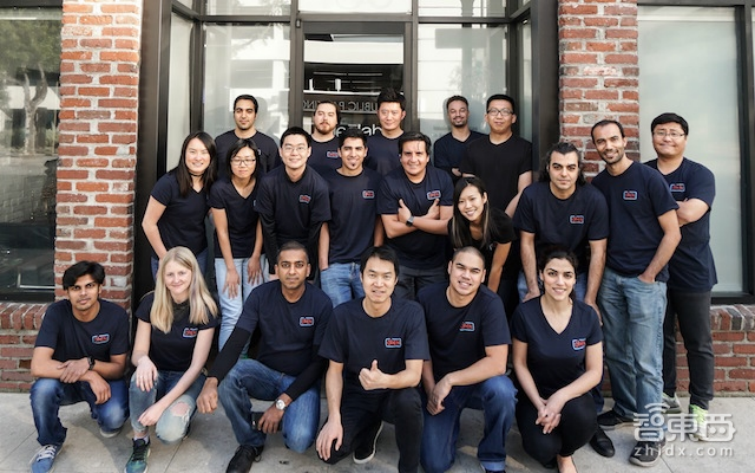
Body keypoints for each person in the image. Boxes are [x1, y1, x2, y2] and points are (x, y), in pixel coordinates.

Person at [512, 142, 613, 457]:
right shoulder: (533, 196)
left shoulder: (592, 199)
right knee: (531, 329)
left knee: (587, 339)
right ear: (548, 168)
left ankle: (590, 417)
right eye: (557, 167)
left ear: (579, 170)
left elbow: (598, 251)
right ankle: (533, 405)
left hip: (574, 274)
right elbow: (526, 243)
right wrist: (532, 286)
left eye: (571, 167)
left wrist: (590, 299)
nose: (564, 174)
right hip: (539, 271)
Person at [197, 241, 333, 473]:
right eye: (286, 265)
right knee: (228, 378)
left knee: (298, 440)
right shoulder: (261, 296)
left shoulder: (321, 303)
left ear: (308, 269)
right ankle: (250, 441)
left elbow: (319, 364)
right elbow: (236, 341)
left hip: (302, 381)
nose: (292, 271)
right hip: (266, 375)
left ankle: (271, 418)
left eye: (299, 265)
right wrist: (211, 380)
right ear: (276, 269)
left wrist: (281, 404)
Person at [591, 119, 681, 467]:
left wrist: (649, 274)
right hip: (612, 279)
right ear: (596, 147)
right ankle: (626, 408)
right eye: (601, 141)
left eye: (613, 139)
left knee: (646, 361)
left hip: (646, 283)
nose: (608, 146)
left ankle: (652, 432)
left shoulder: (648, 178)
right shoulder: (599, 184)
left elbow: (672, 233)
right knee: (616, 352)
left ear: (625, 140)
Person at [316, 246, 428, 473]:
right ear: (361, 277)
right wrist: (334, 418)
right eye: (372, 275)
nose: (379, 283)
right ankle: (368, 427)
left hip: (394, 393)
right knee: (329, 452)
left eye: (386, 276)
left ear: (395, 280)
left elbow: (414, 375)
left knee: (409, 402)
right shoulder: (343, 315)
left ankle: (408, 468)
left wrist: (383, 380)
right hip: (357, 394)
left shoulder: (411, 313)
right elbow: (334, 371)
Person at [646, 112, 716, 440]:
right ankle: (667, 393)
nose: (667, 138)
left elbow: (690, 212)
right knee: (661, 338)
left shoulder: (700, 174)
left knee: (698, 342)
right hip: (656, 269)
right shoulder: (644, 172)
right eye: (661, 132)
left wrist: (655, 208)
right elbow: (639, 212)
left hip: (693, 270)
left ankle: (700, 406)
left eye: (674, 133)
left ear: (685, 139)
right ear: (652, 137)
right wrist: (674, 206)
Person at [417, 247, 517, 473]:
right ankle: (447, 425)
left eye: (474, 271)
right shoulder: (427, 297)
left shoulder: (490, 303)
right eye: (460, 267)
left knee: (503, 391)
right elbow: (420, 350)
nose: (466, 276)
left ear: (483, 276)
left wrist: (450, 379)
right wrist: (431, 389)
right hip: (439, 384)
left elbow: (498, 363)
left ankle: (492, 454)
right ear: (450, 267)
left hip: (477, 383)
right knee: (434, 465)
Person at [29, 262, 130, 473]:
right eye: (76, 288)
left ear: (100, 288)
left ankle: (99, 411)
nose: (83, 293)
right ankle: (50, 441)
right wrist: (89, 375)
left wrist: (90, 364)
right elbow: (38, 366)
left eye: (89, 286)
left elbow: (119, 368)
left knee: (112, 419)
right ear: (67, 292)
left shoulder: (116, 316)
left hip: (104, 381)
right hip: (66, 381)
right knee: (42, 390)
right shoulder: (56, 313)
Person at [125, 247, 218, 473]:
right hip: (156, 373)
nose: (176, 280)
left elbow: (196, 367)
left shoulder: (206, 308)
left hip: (187, 377)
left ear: (193, 273)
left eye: (182, 273)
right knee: (140, 377)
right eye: (170, 274)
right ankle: (140, 440)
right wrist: (144, 360)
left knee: (168, 434)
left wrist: (161, 406)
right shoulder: (150, 302)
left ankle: (181, 415)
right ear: (162, 276)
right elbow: (138, 352)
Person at [511, 247, 603, 473]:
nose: (559, 282)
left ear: (575, 279)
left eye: (567, 275)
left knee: (584, 420)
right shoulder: (524, 313)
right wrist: (540, 403)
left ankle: (566, 456)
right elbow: (519, 364)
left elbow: (594, 372)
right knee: (542, 449)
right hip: (534, 395)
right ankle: (550, 439)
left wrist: (559, 398)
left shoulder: (587, 316)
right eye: (552, 273)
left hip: (572, 394)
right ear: (541, 275)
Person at [459, 94, 532, 317]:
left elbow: (524, 190)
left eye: (505, 112)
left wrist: (500, 221)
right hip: (475, 232)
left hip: (508, 232)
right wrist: (483, 220)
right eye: (494, 111)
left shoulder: (524, 148)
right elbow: (467, 190)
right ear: (486, 117)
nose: (499, 116)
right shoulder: (473, 149)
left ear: (514, 118)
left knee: (504, 295)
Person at [378, 131, 453, 299]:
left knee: (432, 312)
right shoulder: (389, 182)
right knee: (401, 312)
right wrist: (428, 219)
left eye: (419, 153)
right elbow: (391, 230)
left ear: (427, 157)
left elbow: (446, 227)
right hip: (400, 263)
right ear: (400, 157)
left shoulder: (442, 179)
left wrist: (410, 220)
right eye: (407, 154)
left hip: (434, 264)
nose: (413, 159)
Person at [210, 138, 265, 350]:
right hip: (227, 256)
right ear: (230, 162)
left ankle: (242, 358)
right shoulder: (219, 189)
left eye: (248, 159)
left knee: (251, 311)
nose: (243, 165)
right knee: (232, 312)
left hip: (255, 254)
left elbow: (262, 223)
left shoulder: (263, 185)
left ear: (256, 162)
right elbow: (221, 231)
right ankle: (227, 364)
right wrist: (231, 268)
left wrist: (256, 256)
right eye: (238, 159)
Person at [319, 127, 384, 306]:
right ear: (339, 152)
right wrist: (324, 263)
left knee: (369, 316)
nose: (353, 154)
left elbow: (379, 220)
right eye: (347, 149)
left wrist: (375, 257)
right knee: (339, 318)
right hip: (335, 266)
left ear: (365, 151)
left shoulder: (376, 181)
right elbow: (324, 224)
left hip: (367, 265)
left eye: (358, 149)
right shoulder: (326, 182)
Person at [255, 127, 331, 279]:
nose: (294, 153)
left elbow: (315, 232)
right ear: (280, 152)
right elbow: (267, 228)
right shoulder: (268, 183)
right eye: (289, 148)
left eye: (300, 148)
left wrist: (309, 270)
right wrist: (274, 266)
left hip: (306, 249)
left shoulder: (319, 186)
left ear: (309, 151)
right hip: (276, 248)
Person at [142, 130, 217, 279]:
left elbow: (211, 213)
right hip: (169, 255)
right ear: (184, 154)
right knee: (171, 295)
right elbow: (148, 223)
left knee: (195, 295)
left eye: (204, 152)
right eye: (193, 152)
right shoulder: (168, 184)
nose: (198, 157)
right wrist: (164, 258)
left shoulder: (210, 183)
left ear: (211, 156)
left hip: (197, 256)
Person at [448, 176, 515, 306]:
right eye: (461, 201)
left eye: (472, 199)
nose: (468, 206)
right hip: (470, 272)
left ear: (484, 198)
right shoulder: (455, 226)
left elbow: (497, 267)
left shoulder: (501, 223)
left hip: (501, 273)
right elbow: (460, 263)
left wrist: (488, 302)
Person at [215, 94, 280, 177]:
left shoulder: (268, 144)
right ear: (234, 114)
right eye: (239, 111)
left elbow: (275, 177)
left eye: (249, 111)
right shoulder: (220, 142)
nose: (243, 116)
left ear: (255, 115)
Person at [433, 95, 485, 183]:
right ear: (448, 115)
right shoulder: (440, 145)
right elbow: (442, 175)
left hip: (481, 190)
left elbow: (488, 170)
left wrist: (455, 171)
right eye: (453, 111)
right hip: (452, 191)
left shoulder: (483, 141)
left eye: (462, 110)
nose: (458, 114)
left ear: (468, 113)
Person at [365, 88, 406, 175]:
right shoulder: (368, 143)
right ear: (378, 113)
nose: (389, 118)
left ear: (402, 115)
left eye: (394, 113)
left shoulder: (411, 143)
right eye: (384, 112)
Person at [308, 100, 342, 175]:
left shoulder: (343, 146)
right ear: (313, 117)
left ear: (337, 120)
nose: (325, 118)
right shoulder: (302, 144)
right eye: (320, 114)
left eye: (330, 115)